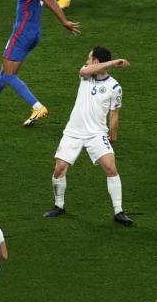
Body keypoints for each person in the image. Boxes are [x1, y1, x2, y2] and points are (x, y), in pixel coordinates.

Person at [43, 46, 133, 226]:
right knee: (59, 168)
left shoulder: (114, 87)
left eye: (89, 58)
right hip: (73, 132)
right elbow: (84, 70)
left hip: (96, 134)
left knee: (111, 168)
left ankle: (119, 211)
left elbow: (114, 113)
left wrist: (113, 134)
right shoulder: (86, 74)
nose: (86, 61)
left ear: (97, 61)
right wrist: (113, 63)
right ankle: (59, 206)